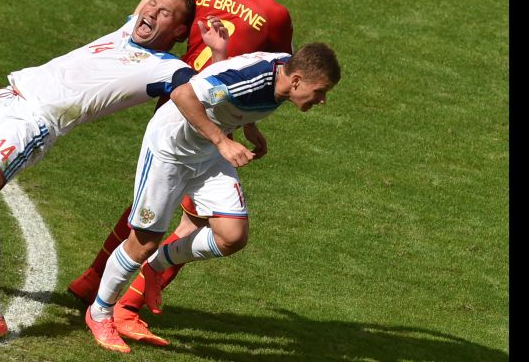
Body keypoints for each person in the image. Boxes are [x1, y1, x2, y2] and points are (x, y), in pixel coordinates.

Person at [0, 0, 226, 342]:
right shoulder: (127, 30)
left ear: (177, 31)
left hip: (34, 122)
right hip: (4, 101)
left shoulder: (168, 70)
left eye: (164, 13)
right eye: (151, 5)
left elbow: (213, 96)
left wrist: (219, 53)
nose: (150, 13)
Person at [68, 0, 304, 346]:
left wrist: (133, 29)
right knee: (191, 218)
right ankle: (123, 307)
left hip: (176, 96)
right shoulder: (276, 14)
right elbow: (269, 76)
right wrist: (237, 129)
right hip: (203, 120)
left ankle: (91, 282)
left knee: (154, 206)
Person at [85, 42, 342, 353]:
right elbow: (183, 94)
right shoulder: (256, 79)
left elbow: (235, 92)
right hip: (171, 149)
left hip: (205, 154)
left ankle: (157, 266)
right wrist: (222, 141)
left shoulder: (283, 74)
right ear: (298, 80)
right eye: (321, 91)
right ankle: (99, 313)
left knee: (232, 235)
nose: (323, 100)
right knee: (143, 242)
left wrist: (249, 127)